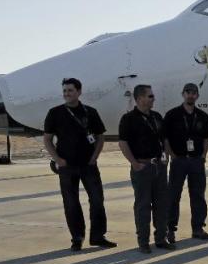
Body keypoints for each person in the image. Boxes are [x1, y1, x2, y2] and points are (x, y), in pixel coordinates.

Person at [43, 78, 116, 251]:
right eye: (65, 91)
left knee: (97, 200)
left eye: (70, 90)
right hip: (67, 166)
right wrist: (58, 159)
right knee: (71, 202)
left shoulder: (90, 112)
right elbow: (47, 139)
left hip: (88, 165)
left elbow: (100, 136)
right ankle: (77, 237)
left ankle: (98, 236)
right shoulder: (55, 113)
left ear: (79, 91)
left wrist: (95, 156)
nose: (67, 94)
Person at [118, 84, 173, 253]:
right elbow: (123, 143)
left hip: (159, 166)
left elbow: (164, 139)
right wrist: (134, 163)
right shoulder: (128, 119)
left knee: (161, 204)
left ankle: (161, 238)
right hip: (142, 167)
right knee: (143, 205)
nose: (153, 98)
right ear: (139, 98)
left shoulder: (156, 116)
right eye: (150, 96)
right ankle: (143, 241)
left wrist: (166, 157)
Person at [163, 83, 208, 243]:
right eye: (188, 92)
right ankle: (170, 229)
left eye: (194, 93)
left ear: (197, 96)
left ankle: (198, 228)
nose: (191, 95)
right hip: (179, 160)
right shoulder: (172, 115)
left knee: (198, 195)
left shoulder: (203, 116)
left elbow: (206, 137)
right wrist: (172, 156)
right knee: (173, 195)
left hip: (196, 161)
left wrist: (204, 155)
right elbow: (165, 138)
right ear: (183, 94)